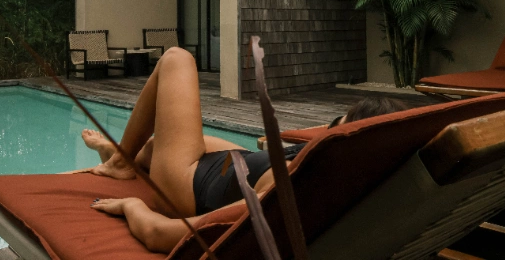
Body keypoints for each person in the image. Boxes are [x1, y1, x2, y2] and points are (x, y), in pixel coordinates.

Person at [85, 47, 407, 253]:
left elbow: (161, 234)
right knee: (157, 144)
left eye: (334, 127)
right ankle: (120, 154)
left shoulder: (289, 190)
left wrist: (131, 207)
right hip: (238, 167)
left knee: (176, 58)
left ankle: (120, 163)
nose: (325, 132)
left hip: (187, 186)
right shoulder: (359, 173)